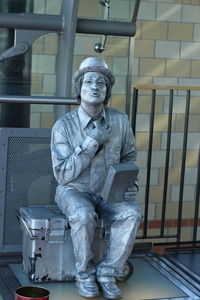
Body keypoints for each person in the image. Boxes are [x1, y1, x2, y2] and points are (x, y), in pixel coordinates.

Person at [51, 57, 142, 299]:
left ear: (107, 90)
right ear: (79, 89)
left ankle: (108, 272)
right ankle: (84, 274)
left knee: (131, 213)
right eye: (88, 82)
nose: (95, 87)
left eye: (101, 83)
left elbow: (129, 156)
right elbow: (61, 174)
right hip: (73, 189)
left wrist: (129, 183)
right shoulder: (63, 125)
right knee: (82, 214)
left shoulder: (120, 120)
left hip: (109, 190)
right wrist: (92, 143)